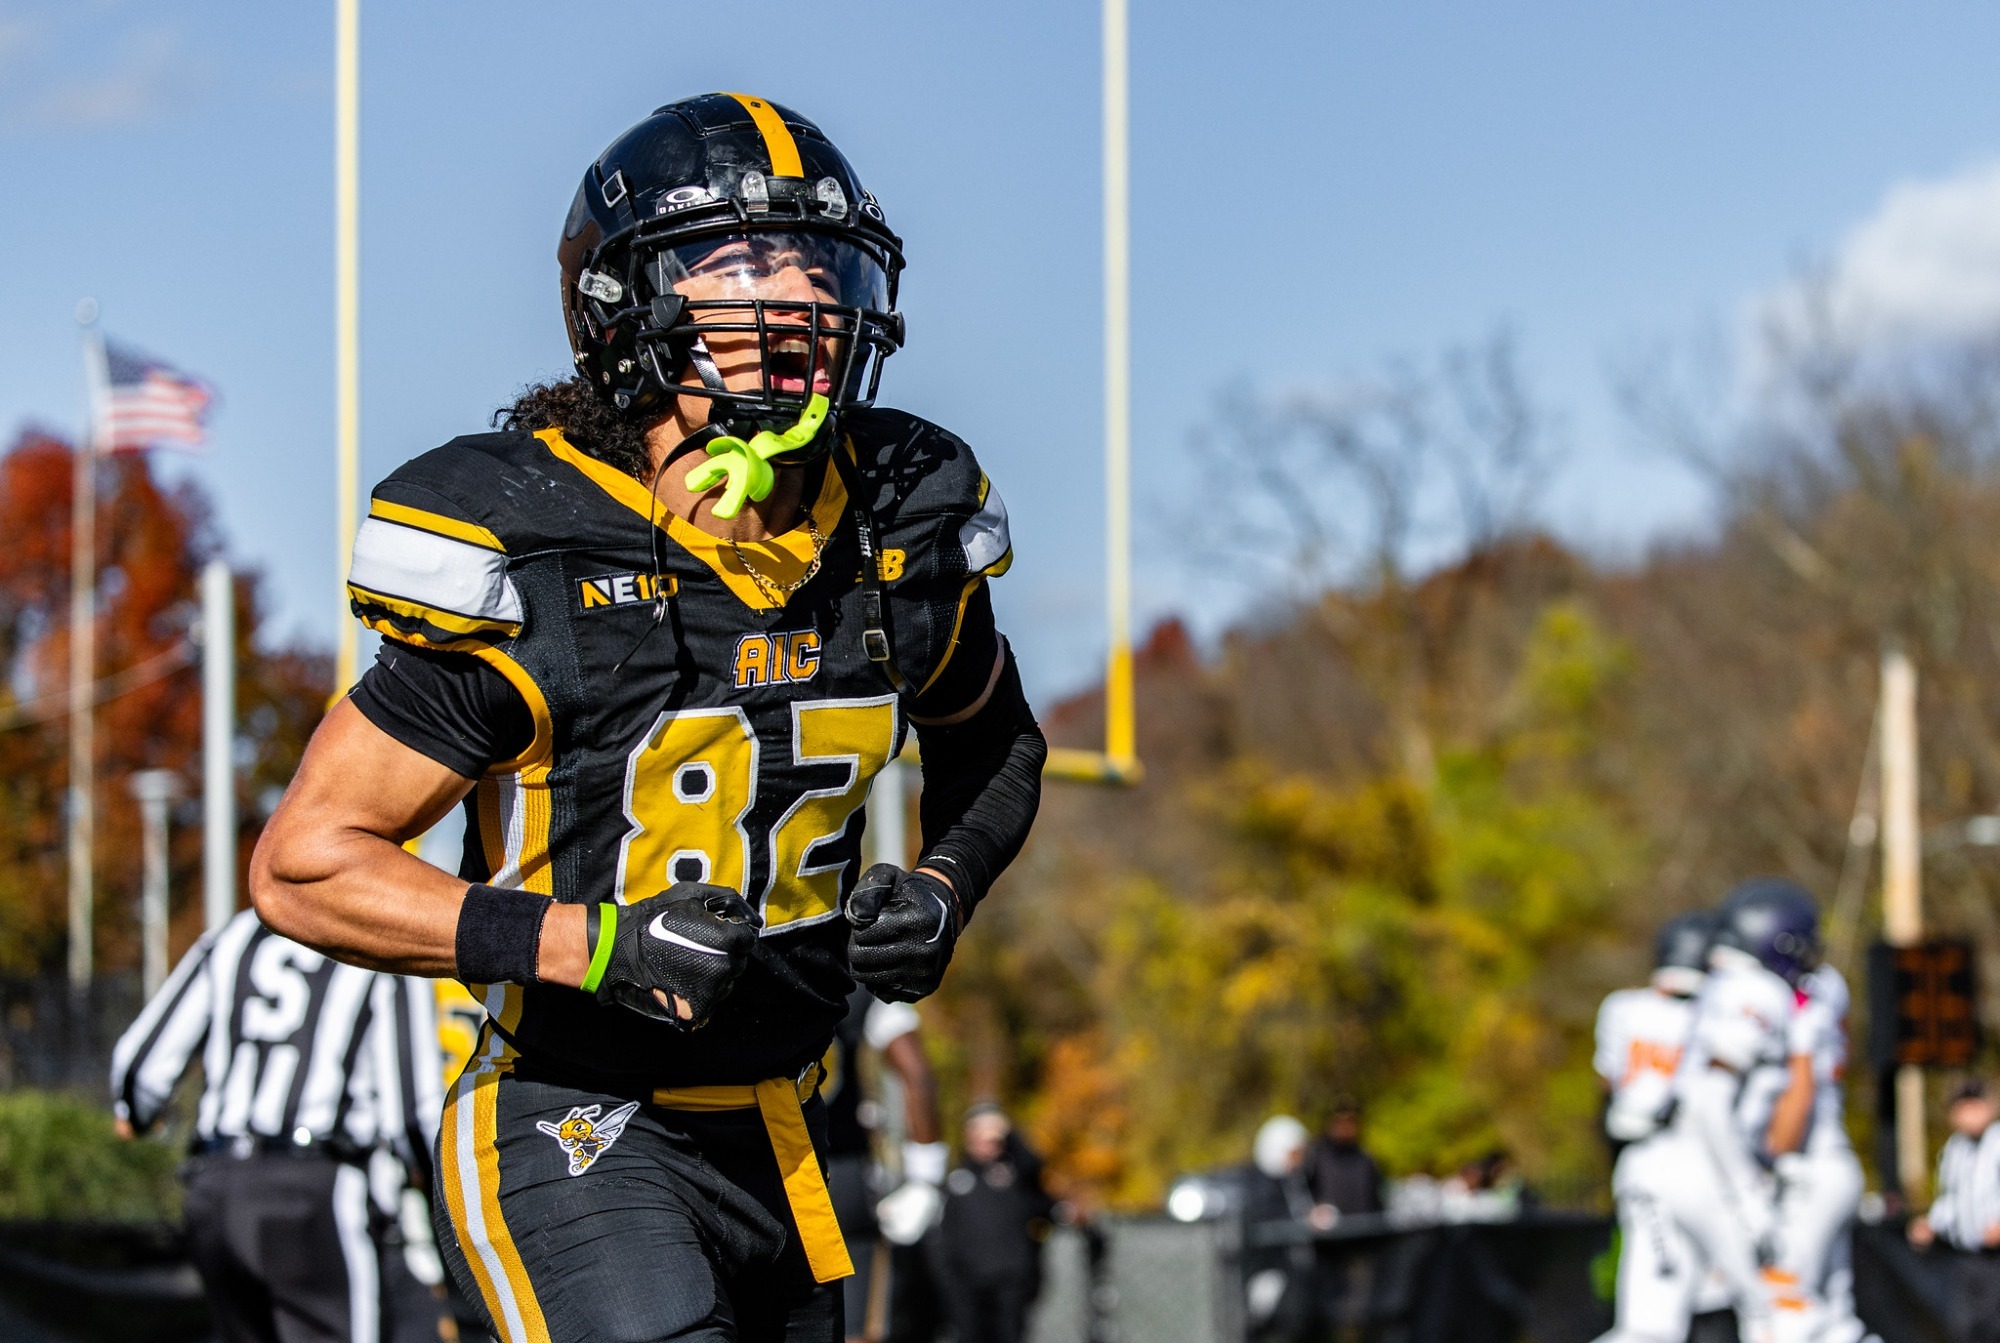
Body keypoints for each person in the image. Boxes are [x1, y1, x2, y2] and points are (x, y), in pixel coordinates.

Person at [251, 92, 1045, 1343]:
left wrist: (946, 882)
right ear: (628, 304)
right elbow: (306, 865)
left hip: (784, 1125)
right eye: (745, 263)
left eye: (818, 261)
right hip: (568, 1109)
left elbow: (993, 739)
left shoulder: (898, 521)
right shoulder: (541, 550)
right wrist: (591, 942)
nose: (799, 295)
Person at [108, 908, 444, 1343]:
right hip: (317, 1190)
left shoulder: (232, 937)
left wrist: (137, 1115)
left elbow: (140, 1068)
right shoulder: (383, 943)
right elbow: (413, 1114)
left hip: (218, 1186)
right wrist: (438, 1202)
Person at [1595, 879, 1835, 1343]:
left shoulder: (1717, 987)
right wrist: (1747, 1192)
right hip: (1705, 1170)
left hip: (1658, 1163)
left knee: (1649, 1330)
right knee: (1795, 1318)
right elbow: (1710, 1100)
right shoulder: (1757, 991)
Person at [822, 985, 945, 1343]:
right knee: (854, 1328)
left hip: (753, 1171)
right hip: (841, 1177)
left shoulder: (741, 963)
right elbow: (917, 1073)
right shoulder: (855, 981)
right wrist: (926, 1176)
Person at [1763, 963, 1872, 1342]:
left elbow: (1800, 1093)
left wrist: (1762, 1159)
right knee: (1835, 1319)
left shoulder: (1802, 1014)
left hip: (1808, 1170)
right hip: (1834, 1161)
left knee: (1784, 1301)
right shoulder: (1829, 984)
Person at [935, 1105, 1055, 1343]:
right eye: (980, 1134)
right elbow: (945, 1234)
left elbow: (1035, 1166)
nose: (987, 1143)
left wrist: (1009, 1132)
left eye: (993, 1138)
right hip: (967, 1283)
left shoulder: (1015, 1173)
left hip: (1011, 1280)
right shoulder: (958, 1178)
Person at [1594, 910, 1713, 1149]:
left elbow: (1606, 1079)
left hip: (1623, 1135)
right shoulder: (1707, 1015)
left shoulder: (1620, 1005)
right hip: (1682, 1143)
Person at [1909, 1080, 2000, 1342]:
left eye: (1974, 1106)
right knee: (1965, 1327)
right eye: (1963, 1108)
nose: (1969, 1115)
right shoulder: (1954, 1149)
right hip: (1966, 1257)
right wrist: (1931, 1224)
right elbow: (1951, 1198)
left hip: (1996, 1258)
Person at [1303, 1098, 1384, 1229]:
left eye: (1351, 1121)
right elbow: (1301, 1197)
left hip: (1363, 1233)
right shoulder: (1315, 1156)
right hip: (1328, 1236)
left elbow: (1376, 1200)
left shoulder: (1366, 1159)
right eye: (1340, 1121)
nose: (1345, 1127)